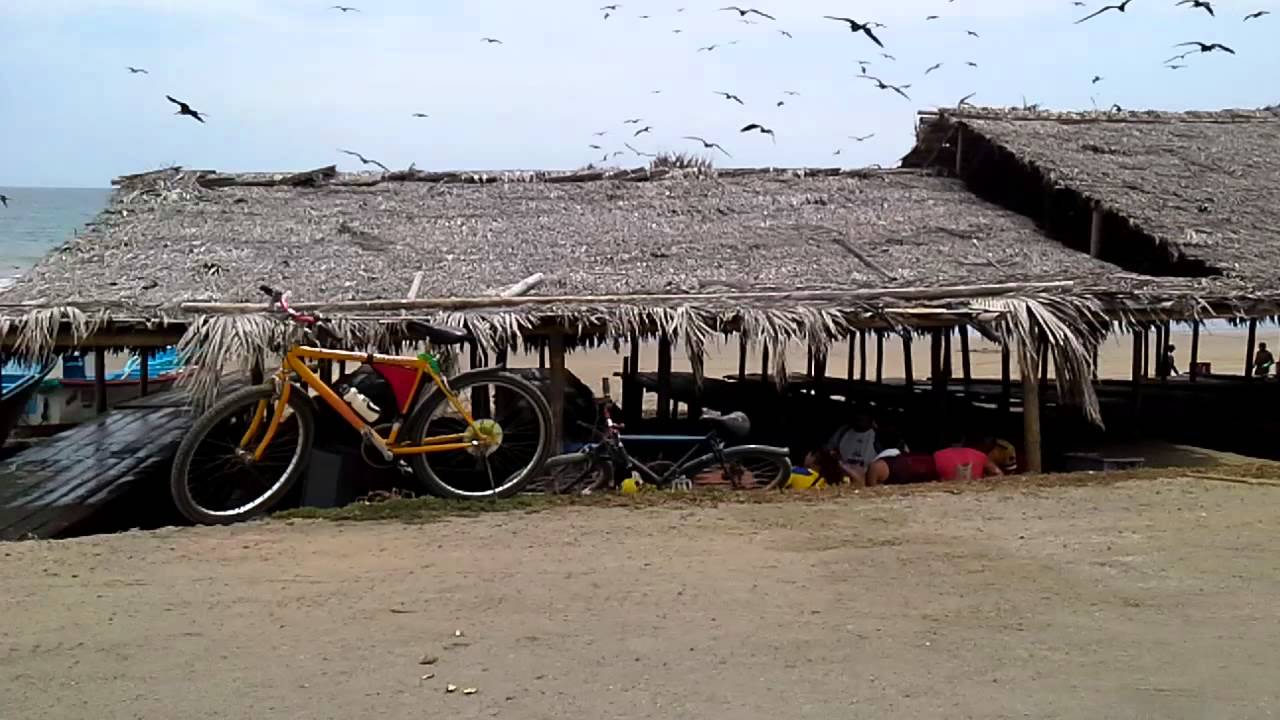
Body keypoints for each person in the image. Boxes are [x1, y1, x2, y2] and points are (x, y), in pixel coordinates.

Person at [826, 407, 878, 474]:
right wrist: (835, 456)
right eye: (859, 414)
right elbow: (828, 449)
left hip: (867, 476)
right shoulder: (843, 431)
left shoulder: (879, 436)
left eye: (864, 415)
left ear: (871, 418)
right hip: (842, 475)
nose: (861, 418)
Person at [933, 436, 1002, 481]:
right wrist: (982, 480)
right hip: (974, 492)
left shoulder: (937, 456)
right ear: (964, 440)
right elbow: (999, 474)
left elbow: (928, 478)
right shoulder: (980, 455)